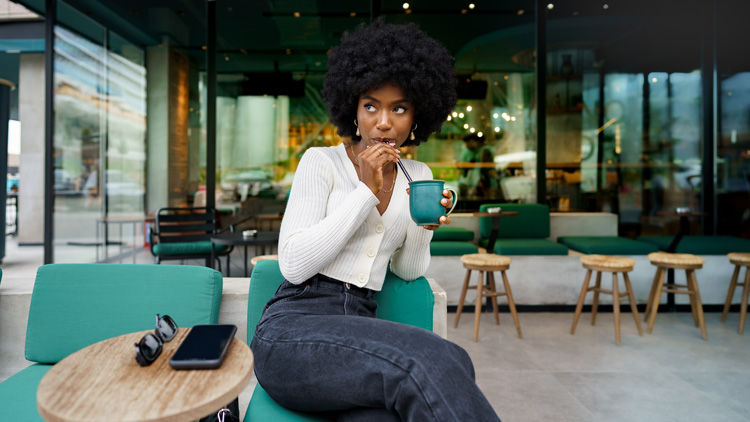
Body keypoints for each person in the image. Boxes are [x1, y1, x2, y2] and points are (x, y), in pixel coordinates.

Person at [250, 21, 500, 422]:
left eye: (399, 108)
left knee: (454, 363)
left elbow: (408, 268)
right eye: (371, 106)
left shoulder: (416, 174)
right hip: (294, 331)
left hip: (360, 330)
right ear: (354, 108)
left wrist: (425, 225)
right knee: (432, 359)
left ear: (417, 115)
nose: (384, 122)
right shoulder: (321, 161)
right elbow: (293, 265)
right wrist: (365, 192)